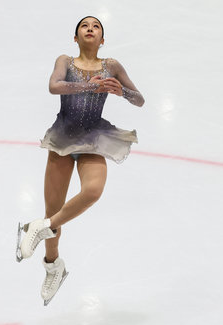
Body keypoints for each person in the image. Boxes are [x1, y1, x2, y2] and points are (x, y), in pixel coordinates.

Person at [15, 16, 144, 305]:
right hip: (62, 138)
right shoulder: (65, 60)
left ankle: (38, 227)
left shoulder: (111, 66)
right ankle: (53, 266)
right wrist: (90, 87)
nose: (90, 29)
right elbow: (54, 86)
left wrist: (119, 90)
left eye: (96, 27)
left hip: (93, 138)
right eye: (84, 26)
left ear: (102, 40)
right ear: (76, 38)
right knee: (54, 208)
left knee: (93, 191)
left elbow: (140, 100)